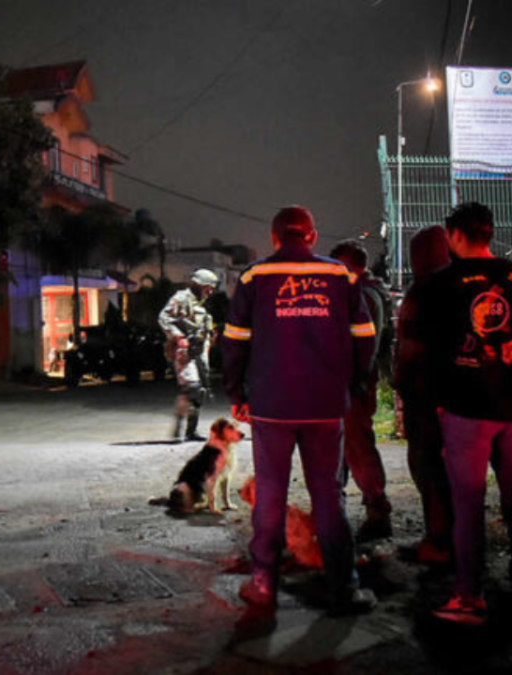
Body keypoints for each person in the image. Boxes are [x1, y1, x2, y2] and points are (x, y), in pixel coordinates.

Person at [222, 205, 378, 614]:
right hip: (327, 406)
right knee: (328, 495)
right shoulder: (340, 275)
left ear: (275, 238)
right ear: (311, 236)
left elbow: (234, 339)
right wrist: (357, 381)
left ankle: (263, 585)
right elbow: (365, 335)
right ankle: (344, 587)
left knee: (270, 494)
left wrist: (236, 391)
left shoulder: (255, 277)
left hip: (272, 407)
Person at [420, 202, 512, 625]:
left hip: (465, 412)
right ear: (489, 233)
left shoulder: (442, 284)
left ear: (454, 235)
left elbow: (432, 352)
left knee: (468, 503)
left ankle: (470, 596)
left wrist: (439, 402)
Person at [393, 226, 454, 564]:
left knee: (429, 469)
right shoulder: (461, 285)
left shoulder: (423, 292)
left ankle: (439, 541)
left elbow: (410, 349)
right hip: (457, 399)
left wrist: (403, 389)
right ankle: (452, 539)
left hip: (426, 398)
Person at [329, 240, 394, 541]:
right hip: (353, 385)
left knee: (357, 447)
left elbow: (361, 346)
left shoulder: (363, 297)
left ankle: (377, 510)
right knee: (343, 448)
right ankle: (338, 510)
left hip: (353, 386)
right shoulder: (370, 292)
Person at [159, 269, 218, 441]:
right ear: (199, 285)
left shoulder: (199, 302)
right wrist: (178, 336)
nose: (210, 292)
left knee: (200, 390)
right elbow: (163, 317)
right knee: (190, 386)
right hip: (185, 350)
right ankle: (177, 430)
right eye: (208, 288)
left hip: (200, 350)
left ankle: (191, 431)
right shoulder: (181, 298)